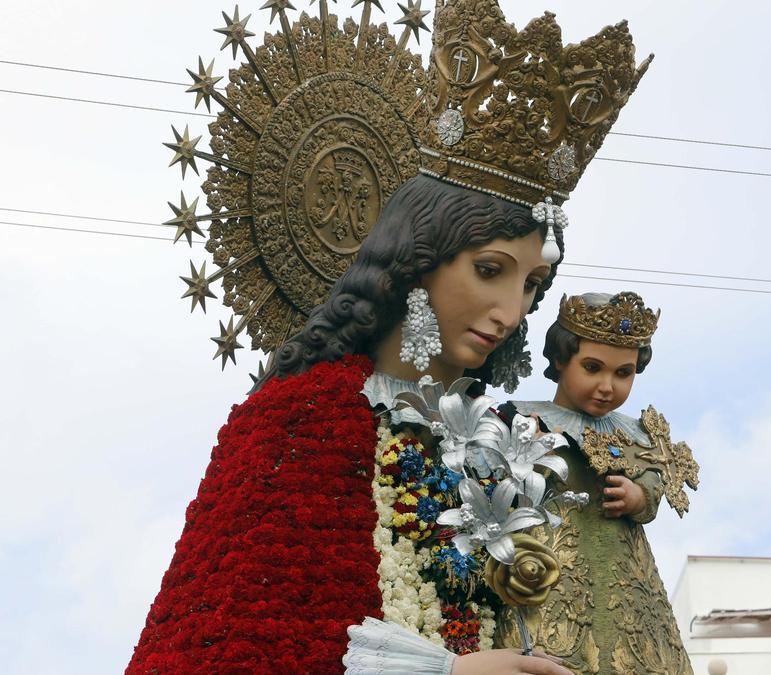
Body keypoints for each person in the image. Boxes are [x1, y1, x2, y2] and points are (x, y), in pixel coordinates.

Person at [128, 1, 652, 672]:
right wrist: (449, 670)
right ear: (418, 258)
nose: (511, 309)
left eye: (529, 284)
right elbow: (232, 639)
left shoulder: (494, 441)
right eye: (490, 270)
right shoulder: (304, 414)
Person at [499, 291, 698, 674]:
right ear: (560, 359)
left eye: (623, 373)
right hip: (546, 571)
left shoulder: (637, 434)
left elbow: (657, 482)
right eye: (593, 368)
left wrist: (639, 498)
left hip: (628, 584)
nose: (608, 386)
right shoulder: (522, 420)